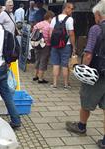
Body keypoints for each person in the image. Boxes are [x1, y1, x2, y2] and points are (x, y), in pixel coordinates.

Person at [65, 1, 105, 148]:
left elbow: (88, 55)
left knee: (86, 101)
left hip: (96, 74)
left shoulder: (96, 29)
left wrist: (81, 70)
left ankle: (81, 127)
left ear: (99, 15)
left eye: (95, 15)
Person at [50, 3, 76, 89]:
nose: (72, 11)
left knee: (55, 64)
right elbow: (71, 34)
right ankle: (66, 84)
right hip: (66, 45)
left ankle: (54, 84)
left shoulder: (54, 18)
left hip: (55, 45)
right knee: (65, 65)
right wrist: (74, 46)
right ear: (66, 8)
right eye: (71, 9)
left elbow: (51, 33)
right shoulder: (69, 19)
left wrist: (53, 42)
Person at [32, 11, 55, 84]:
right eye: (52, 18)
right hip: (45, 45)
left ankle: (35, 76)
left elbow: (33, 33)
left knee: (37, 60)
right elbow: (49, 37)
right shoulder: (49, 26)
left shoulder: (38, 24)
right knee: (43, 61)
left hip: (36, 44)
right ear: (50, 18)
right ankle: (41, 79)